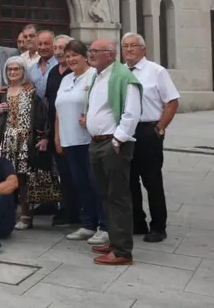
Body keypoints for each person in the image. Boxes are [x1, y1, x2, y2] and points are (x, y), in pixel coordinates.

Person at [85, 39, 141, 265]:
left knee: (118, 197)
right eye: (91, 50)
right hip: (97, 142)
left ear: (109, 55)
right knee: (106, 195)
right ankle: (115, 239)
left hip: (113, 144)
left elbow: (131, 112)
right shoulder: (97, 75)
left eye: (95, 51)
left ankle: (122, 252)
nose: (91, 54)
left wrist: (117, 140)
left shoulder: (124, 77)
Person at [122, 32, 179, 243]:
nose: (128, 49)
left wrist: (161, 127)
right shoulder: (120, 71)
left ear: (143, 49)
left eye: (133, 46)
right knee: (129, 181)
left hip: (148, 131)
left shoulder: (156, 71)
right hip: (126, 131)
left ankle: (158, 226)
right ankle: (137, 221)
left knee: (151, 181)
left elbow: (172, 101)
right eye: (125, 46)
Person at [54, 40, 107, 245]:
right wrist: (57, 137)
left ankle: (104, 225)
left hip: (89, 139)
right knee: (81, 184)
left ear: (85, 56)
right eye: (67, 56)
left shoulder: (94, 76)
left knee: (96, 183)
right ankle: (88, 224)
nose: (70, 59)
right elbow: (59, 110)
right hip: (69, 140)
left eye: (74, 55)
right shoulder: (66, 79)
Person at [0, 56, 48, 230]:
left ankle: (25, 215)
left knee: (23, 178)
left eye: (16, 69)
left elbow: (40, 117)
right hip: (7, 138)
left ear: (23, 71)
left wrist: (42, 137)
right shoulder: (2, 93)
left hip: (25, 138)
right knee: (6, 177)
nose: (13, 72)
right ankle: (6, 211)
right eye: (10, 69)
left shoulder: (30, 91)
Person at [45, 34, 78, 228]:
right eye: (56, 48)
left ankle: (77, 209)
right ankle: (66, 208)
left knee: (76, 173)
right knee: (63, 173)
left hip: (73, 129)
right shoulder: (53, 72)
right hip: (55, 128)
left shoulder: (75, 74)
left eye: (62, 48)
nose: (58, 52)